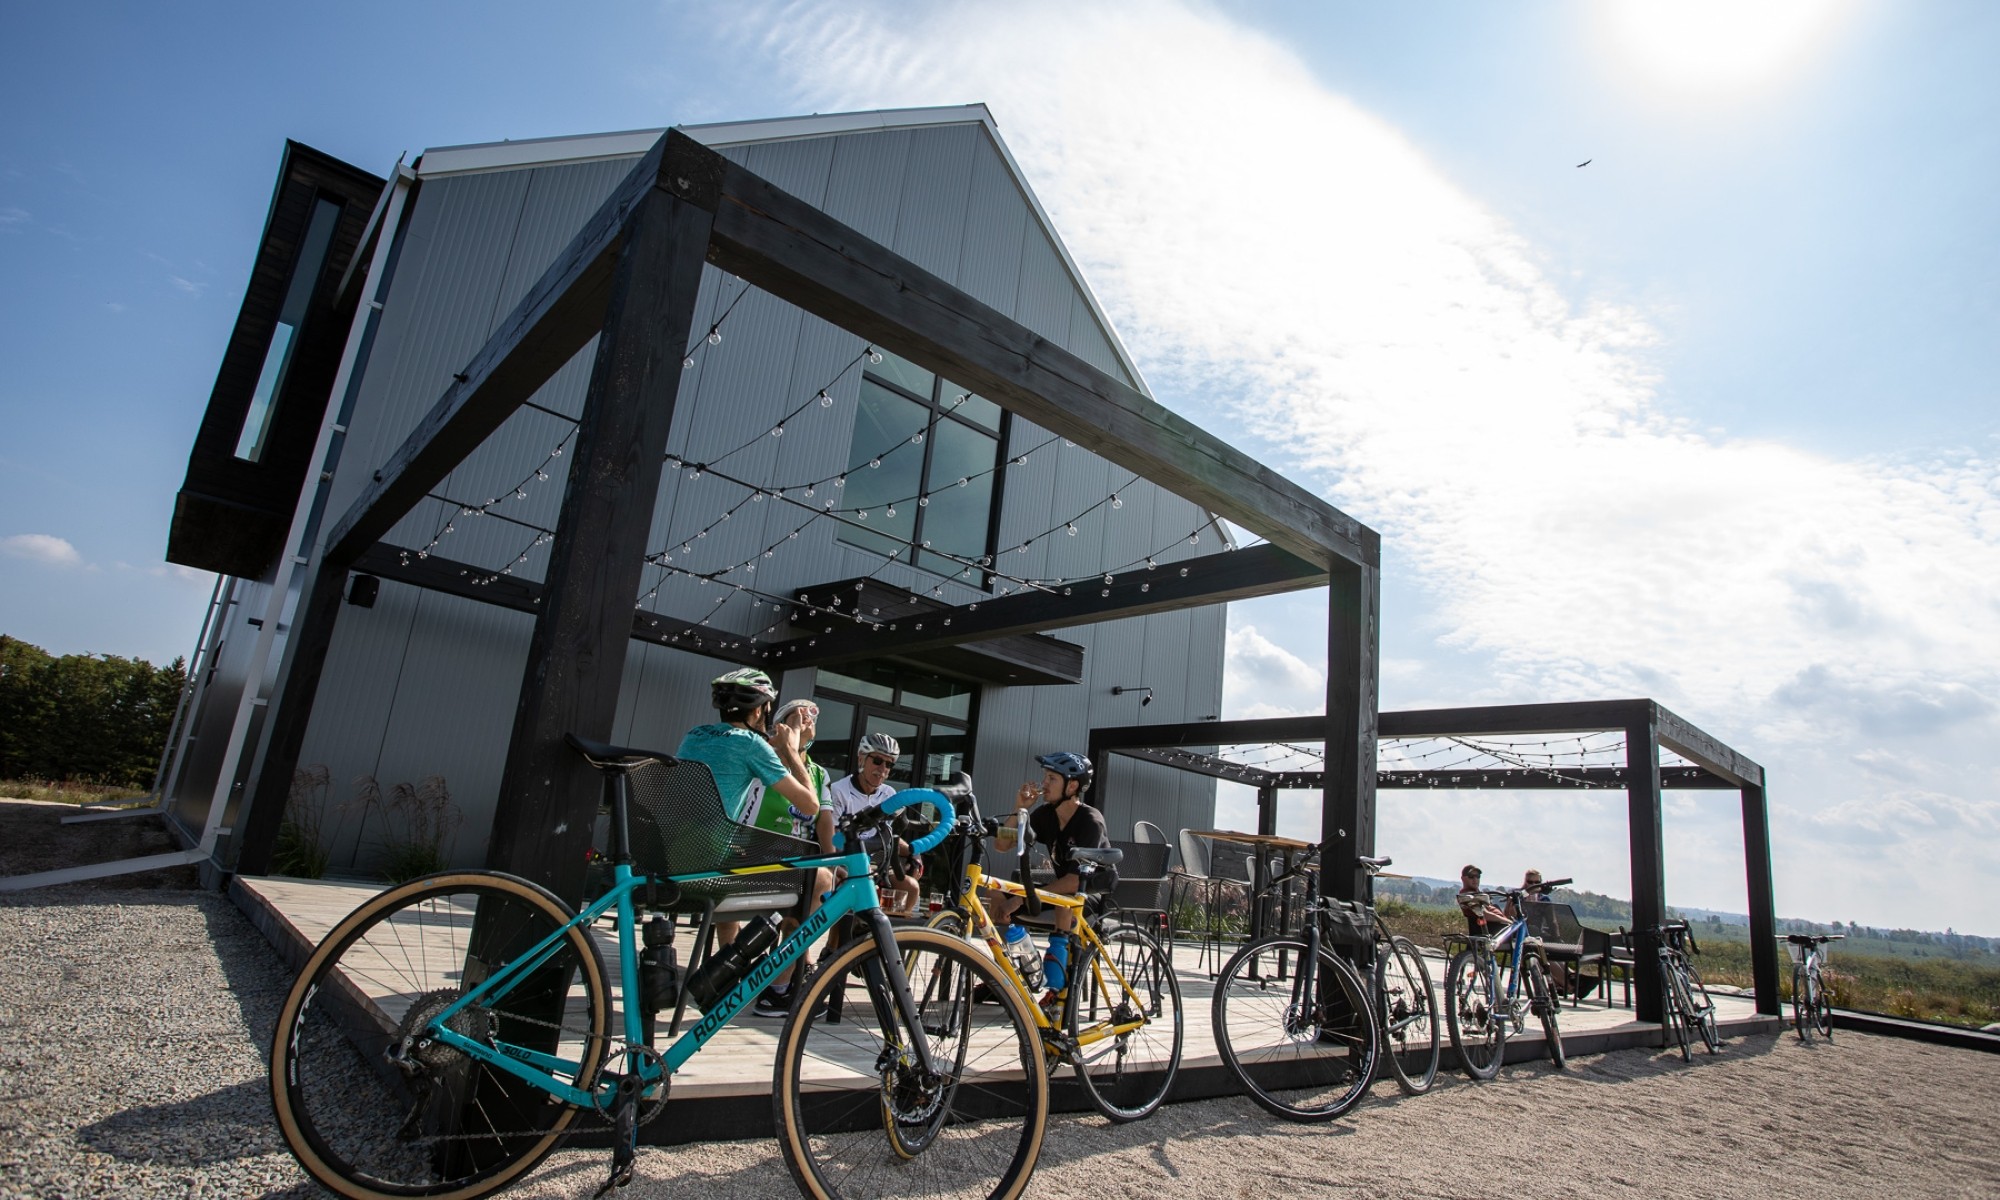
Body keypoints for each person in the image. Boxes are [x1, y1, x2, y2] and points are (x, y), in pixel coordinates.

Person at [673, 669, 828, 1018]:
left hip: (677, 860)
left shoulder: (694, 736)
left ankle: (724, 980)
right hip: (714, 869)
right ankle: (779, 987)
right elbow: (810, 806)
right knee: (819, 880)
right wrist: (791, 751)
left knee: (733, 854)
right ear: (760, 709)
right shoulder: (751, 745)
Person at [990, 751, 1113, 998]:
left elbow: (1074, 881)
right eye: (1045, 777)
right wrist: (1019, 808)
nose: (1043, 783)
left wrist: (1022, 899)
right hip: (1061, 891)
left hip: (1092, 895)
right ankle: (1010, 976)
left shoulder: (1090, 820)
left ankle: (1057, 992)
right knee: (995, 893)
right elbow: (1001, 845)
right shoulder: (1046, 815)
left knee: (1063, 902)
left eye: (1052, 778)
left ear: (1072, 786)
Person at [821, 732, 923, 919]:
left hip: (877, 865)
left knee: (911, 887)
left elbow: (891, 837)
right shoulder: (838, 790)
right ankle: (839, 936)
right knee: (856, 890)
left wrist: (913, 853)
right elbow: (833, 839)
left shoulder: (889, 794)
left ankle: (893, 933)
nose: (883, 769)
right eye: (877, 761)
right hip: (846, 862)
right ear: (861, 758)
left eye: (889, 764)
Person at [1456, 864, 1510, 935]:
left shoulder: (1478, 894)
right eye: (1471, 876)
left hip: (1496, 927)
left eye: (1478, 876)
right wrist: (1510, 922)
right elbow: (1485, 915)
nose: (1475, 879)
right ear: (1463, 879)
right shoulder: (1468, 896)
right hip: (1488, 930)